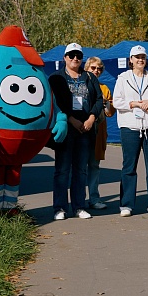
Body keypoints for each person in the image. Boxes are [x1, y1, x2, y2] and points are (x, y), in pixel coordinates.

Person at [113, 45, 148, 218]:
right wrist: (135, 104)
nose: (140, 60)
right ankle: (126, 204)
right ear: (131, 60)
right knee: (129, 167)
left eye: (143, 57)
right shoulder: (123, 78)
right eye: (137, 57)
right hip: (130, 127)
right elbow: (116, 101)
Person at [49, 43, 103, 220]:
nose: (75, 58)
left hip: (85, 129)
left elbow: (99, 99)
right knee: (62, 170)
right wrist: (70, 119)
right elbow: (54, 102)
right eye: (71, 55)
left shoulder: (89, 77)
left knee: (81, 170)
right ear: (65, 58)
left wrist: (91, 118)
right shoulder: (56, 77)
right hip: (66, 128)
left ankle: (79, 206)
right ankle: (60, 208)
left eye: (78, 55)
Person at [84, 57, 116, 210]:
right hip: (82, 131)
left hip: (98, 132)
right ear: (87, 68)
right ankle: (78, 200)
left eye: (99, 69)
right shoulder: (80, 84)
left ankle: (94, 198)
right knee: (79, 167)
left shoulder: (104, 88)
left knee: (94, 166)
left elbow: (110, 113)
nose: (96, 71)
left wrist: (106, 103)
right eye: (93, 68)